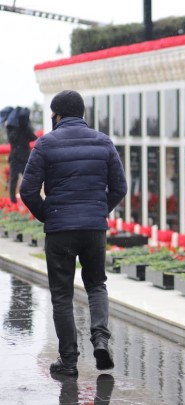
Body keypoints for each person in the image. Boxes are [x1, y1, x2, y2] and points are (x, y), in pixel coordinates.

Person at [19, 90, 127, 377]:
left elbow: (27, 190)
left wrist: (48, 214)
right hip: (94, 229)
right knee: (96, 285)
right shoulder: (103, 142)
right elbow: (120, 187)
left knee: (62, 295)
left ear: (57, 115)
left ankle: (69, 362)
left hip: (60, 230)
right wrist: (99, 211)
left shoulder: (45, 144)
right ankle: (101, 339)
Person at [0, 106, 37, 203]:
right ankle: (20, 201)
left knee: (17, 180)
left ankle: (17, 202)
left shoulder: (13, 128)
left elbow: (31, 137)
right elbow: (32, 137)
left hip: (18, 157)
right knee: (22, 180)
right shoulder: (18, 128)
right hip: (21, 157)